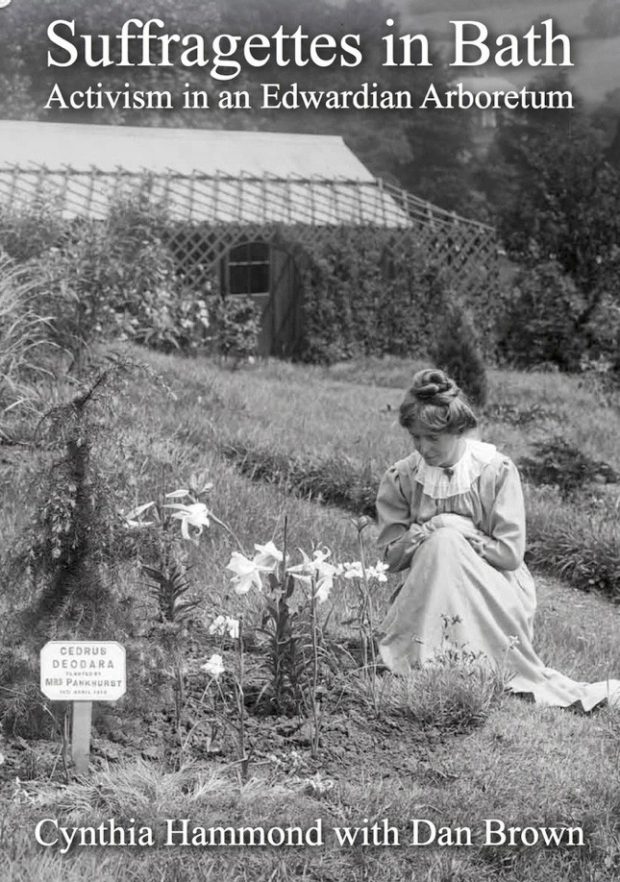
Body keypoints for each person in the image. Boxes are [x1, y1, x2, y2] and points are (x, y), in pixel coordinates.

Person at [376, 368, 620, 710]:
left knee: (447, 539)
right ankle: (428, 654)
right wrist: (428, 529)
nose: (424, 447)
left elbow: (509, 555)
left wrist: (461, 533)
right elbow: (389, 559)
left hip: (494, 585)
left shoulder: (495, 470)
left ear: (458, 431)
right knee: (442, 540)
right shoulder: (404, 476)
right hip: (430, 590)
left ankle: (463, 658)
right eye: (416, 438)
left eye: (434, 438)